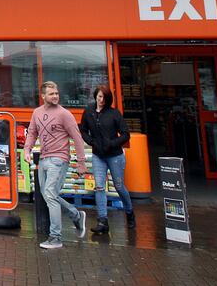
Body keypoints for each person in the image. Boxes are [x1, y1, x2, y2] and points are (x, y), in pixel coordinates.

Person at [23, 80, 88, 249]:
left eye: (57, 93)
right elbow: (32, 132)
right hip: (43, 158)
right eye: (51, 94)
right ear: (43, 96)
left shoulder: (64, 114)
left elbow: (77, 138)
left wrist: (81, 163)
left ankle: (55, 237)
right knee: (48, 196)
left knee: (50, 194)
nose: (55, 96)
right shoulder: (36, 113)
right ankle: (76, 215)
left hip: (59, 159)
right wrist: (27, 150)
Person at [79, 85, 136, 234]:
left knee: (119, 186)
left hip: (115, 155)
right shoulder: (89, 111)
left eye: (104, 98)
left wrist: (112, 143)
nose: (101, 100)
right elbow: (83, 129)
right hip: (98, 155)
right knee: (99, 186)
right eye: (99, 97)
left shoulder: (114, 113)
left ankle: (129, 212)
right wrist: (91, 141)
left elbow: (125, 134)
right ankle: (102, 221)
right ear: (95, 96)